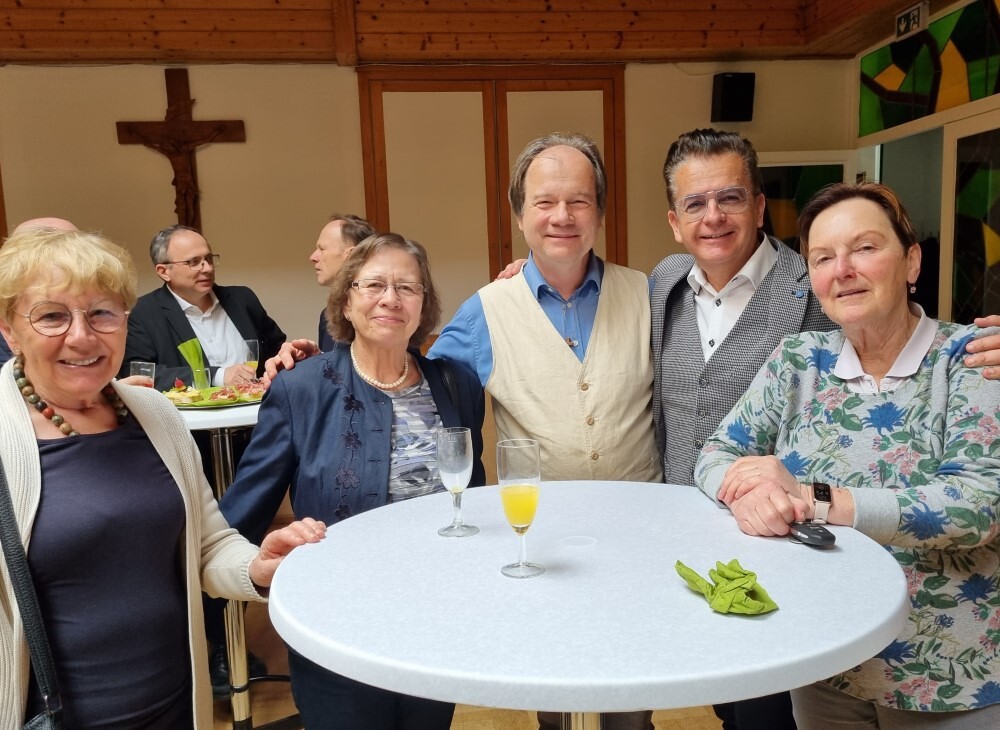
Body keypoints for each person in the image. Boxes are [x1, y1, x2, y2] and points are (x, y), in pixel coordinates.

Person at [695, 182, 1000, 729]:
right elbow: (717, 452)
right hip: (825, 658)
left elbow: (974, 506)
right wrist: (748, 494)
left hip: (948, 669)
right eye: (823, 257)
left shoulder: (971, 359)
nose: (843, 270)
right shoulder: (799, 359)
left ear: (911, 262)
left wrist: (812, 499)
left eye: (865, 248)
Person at [0, 226, 325, 729]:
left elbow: (208, 546)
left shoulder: (155, 414)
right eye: (51, 316)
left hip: (176, 706)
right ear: (9, 330)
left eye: (102, 313)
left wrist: (257, 566)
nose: (82, 336)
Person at [220, 232, 486, 730]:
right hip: (336, 624)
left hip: (435, 621)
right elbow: (237, 519)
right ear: (346, 299)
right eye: (374, 285)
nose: (391, 299)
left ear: (424, 304)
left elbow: (469, 497)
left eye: (407, 287)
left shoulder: (456, 384)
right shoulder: (301, 389)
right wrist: (248, 570)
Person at [120, 224, 286, 391]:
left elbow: (278, 350)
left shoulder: (242, 299)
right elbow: (137, 374)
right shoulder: (143, 313)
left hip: (260, 404)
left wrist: (289, 355)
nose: (207, 268)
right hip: (187, 408)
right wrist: (218, 376)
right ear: (164, 271)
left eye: (209, 259)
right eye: (194, 262)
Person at [310, 213, 376, 350]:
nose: (313, 257)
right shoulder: (327, 316)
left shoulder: (382, 313)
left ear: (351, 255)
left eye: (322, 249)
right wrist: (316, 359)